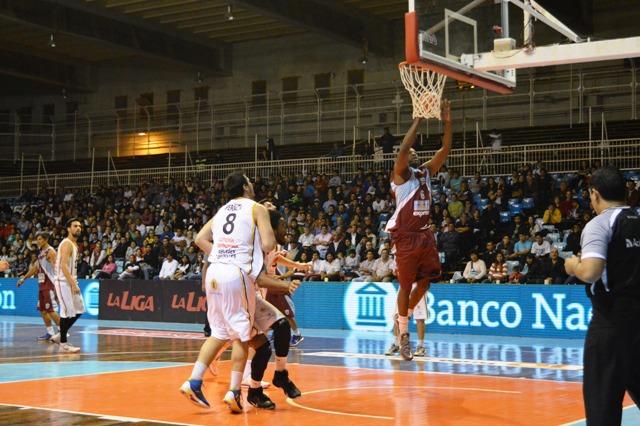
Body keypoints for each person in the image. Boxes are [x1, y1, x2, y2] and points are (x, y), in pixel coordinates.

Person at [180, 171, 276, 413]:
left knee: (219, 332)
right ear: (245, 186)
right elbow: (268, 244)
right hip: (235, 273)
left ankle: (194, 380)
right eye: (250, 181)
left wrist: (220, 253)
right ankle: (234, 391)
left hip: (215, 272)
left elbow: (200, 239)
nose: (253, 184)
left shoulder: (222, 210)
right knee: (241, 334)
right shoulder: (257, 208)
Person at [564, 166, 640, 425]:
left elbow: (592, 271)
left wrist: (573, 265)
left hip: (611, 324)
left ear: (594, 194)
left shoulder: (600, 224)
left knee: (602, 408)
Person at [384, 100, 451, 360]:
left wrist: (447, 122)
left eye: (413, 151)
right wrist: (420, 118)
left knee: (425, 283)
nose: (411, 152)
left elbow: (445, 149)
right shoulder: (400, 176)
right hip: (405, 236)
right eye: (407, 152)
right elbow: (402, 148)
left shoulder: (424, 173)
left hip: (425, 235)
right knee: (404, 285)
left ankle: (404, 315)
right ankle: (403, 333)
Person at [16, 232, 61, 341]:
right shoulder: (41, 253)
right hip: (42, 284)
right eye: (37, 239)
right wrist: (24, 278)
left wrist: (59, 283)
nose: (38, 241)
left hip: (50, 284)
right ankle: (50, 333)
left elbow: (56, 267)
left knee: (50, 309)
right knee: (42, 310)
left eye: (40, 239)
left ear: (45, 239)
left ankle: (63, 332)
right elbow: (35, 268)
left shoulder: (50, 252)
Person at [52, 218, 86, 353]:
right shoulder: (66, 243)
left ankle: (59, 335)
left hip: (71, 280)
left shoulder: (74, 244)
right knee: (66, 312)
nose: (78, 228)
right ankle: (64, 343)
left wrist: (73, 282)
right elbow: (63, 266)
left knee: (79, 309)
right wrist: (73, 284)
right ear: (68, 228)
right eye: (75, 226)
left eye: (80, 226)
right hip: (63, 281)